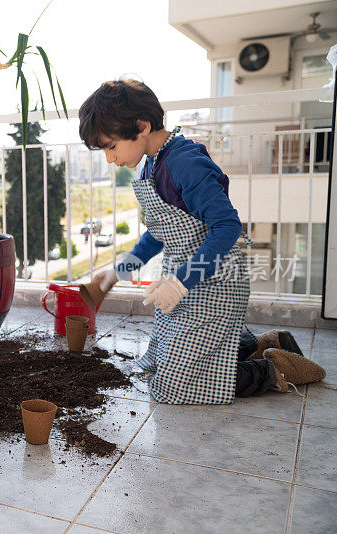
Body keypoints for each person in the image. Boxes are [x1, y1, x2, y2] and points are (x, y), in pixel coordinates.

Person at [78, 79, 325, 404]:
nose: (110, 159)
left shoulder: (184, 163)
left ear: (141, 126)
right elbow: (159, 232)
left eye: (111, 146)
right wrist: (115, 273)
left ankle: (273, 369)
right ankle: (262, 343)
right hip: (188, 284)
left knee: (175, 385)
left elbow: (227, 227)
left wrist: (180, 283)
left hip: (215, 283)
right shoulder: (151, 164)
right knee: (156, 365)